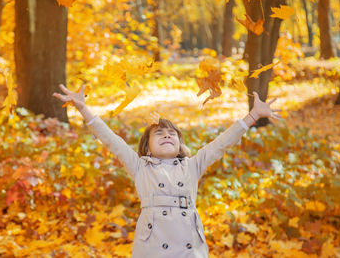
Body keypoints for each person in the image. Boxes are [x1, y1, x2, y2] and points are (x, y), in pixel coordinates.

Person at [53, 84, 282, 257]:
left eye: (172, 133)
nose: (167, 135)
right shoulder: (140, 166)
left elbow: (222, 143)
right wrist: (83, 108)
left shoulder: (192, 166)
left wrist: (252, 116)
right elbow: (112, 141)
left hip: (189, 247)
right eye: (159, 133)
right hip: (153, 246)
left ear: (180, 144)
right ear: (147, 147)